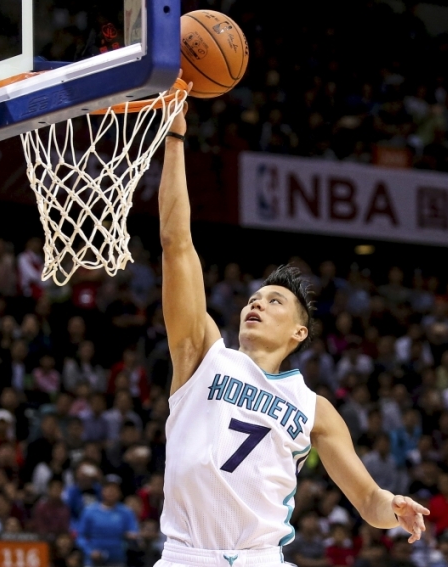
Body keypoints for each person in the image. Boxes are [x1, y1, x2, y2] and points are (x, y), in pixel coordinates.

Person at [152, 91, 428, 567]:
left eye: (274, 301)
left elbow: (368, 501)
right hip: (186, 557)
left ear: (299, 333)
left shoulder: (315, 410)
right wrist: (175, 139)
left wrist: (392, 507)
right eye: (253, 299)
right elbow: (177, 244)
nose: (256, 304)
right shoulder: (202, 355)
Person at [76, 475, 138, 567]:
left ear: (120, 493)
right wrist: (90, 551)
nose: (111, 492)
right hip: (94, 560)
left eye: (114, 489)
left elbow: (134, 531)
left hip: (117, 559)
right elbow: (80, 536)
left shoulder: (126, 512)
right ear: (102, 491)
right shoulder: (89, 511)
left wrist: (131, 536)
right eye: (108, 489)